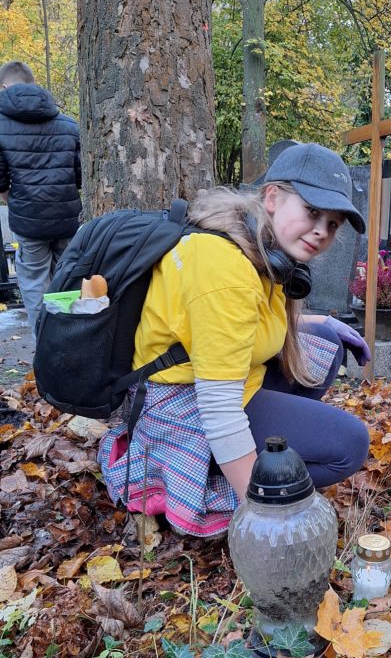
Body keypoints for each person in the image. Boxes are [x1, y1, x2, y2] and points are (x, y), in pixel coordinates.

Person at [98, 142, 371, 537]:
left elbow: (243, 322)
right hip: (181, 408)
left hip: (214, 382)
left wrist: (321, 322)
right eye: (313, 212)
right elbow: (220, 412)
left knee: (324, 346)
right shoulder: (224, 269)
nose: (322, 231)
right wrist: (264, 520)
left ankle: (259, 455)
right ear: (273, 197)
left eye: (332, 224)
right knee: (349, 445)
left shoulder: (254, 245)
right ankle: (218, 482)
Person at [0, 60, 82, 332]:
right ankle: (72, 344)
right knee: (67, 284)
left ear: (4, 87)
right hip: (67, 220)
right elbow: (80, 175)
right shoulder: (69, 125)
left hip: (29, 223)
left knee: (35, 288)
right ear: (34, 84)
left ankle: (45, 357)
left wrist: (13, 201)